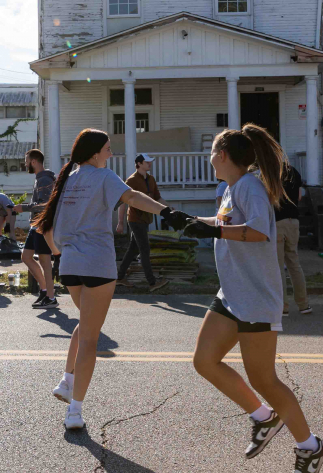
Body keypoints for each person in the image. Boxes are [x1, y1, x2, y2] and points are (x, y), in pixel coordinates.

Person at [180, 124, 323, 473]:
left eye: (212, 152)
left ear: (223, 155)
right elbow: (227, 223)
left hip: (257, 297)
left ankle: (310, 447)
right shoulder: (232, 188)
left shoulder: (249, 186)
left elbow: (259, 230)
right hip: (232, 293)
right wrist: (194, 221)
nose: (210, 158)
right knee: (205, 361)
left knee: (265, 379)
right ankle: (263, 417)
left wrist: (214, 231)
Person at [34, 129, 191, 430]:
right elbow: (132, 197)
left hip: (70, 265)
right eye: (107, 148)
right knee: (90, 338)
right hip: (97, 263)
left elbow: (50, 227)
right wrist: (167, 211)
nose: (111, 153)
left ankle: (66, 381)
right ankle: (74, 412)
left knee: (86, 323)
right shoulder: (104, 177)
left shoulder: (67, 179)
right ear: (95, 153)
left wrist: (60, 252)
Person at [115, 153, 170, 291]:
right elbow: (122, 202)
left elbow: (157, 198)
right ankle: (152, 283)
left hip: (146, 219)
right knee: (145, 249)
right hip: (135, 220)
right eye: (147, 162)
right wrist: (120, 222)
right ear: (139, 164)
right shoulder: (131, 180)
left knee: (133, 250)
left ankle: (119, 278)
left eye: (150, 162)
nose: (150, 164)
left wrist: (169, 210)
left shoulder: (151, 179)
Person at [14, 148, 58, 309]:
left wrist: (24, 207)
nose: (25, 165)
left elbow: (46, 205)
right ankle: (44, 290)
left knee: (45, 262)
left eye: (26, 162)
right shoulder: (40, 178)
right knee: (26, 257)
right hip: (36, 225)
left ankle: (51, 298)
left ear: (34, 161)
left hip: (42, 225)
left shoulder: (45, 179)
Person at [274, 163, 311, 316]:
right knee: (294, 264)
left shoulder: (271, 172)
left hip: (277, 222)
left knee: (278, 266)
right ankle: (303, 305)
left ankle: (283, 307)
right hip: (293, 221)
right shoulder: (294, 171)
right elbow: (299, 196)